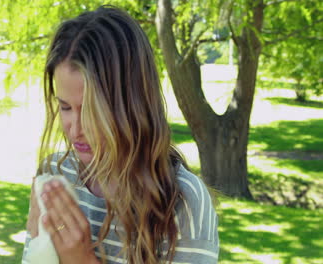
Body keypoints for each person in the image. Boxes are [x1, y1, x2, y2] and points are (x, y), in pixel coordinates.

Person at [22, 6, 219, 264]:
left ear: (132, 105)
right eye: (65, 107)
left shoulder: (183, 202)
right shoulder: (57, 176)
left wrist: (81, 259)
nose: (75, 128)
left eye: (93, 111)